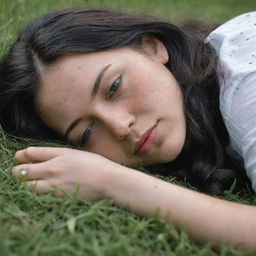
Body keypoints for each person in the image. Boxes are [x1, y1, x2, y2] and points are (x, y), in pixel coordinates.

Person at [0, 7, 256, 251]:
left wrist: (112, 183)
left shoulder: (246, 86)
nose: (120, 126)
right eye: (87, 132)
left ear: (152, 47)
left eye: (114, 87)